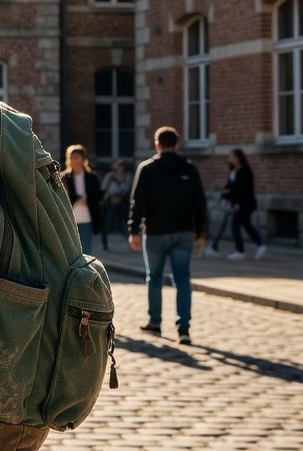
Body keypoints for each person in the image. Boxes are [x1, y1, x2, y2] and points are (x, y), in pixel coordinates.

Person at [127, 126, 207, 346]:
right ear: (177, 144)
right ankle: (184, 328)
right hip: (183, 233)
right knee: (182, 279)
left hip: (155, 233)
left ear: (157, 144)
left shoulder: (147, 169)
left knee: (154, 277)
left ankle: (155, 321)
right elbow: (200, 204)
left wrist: (133, 230)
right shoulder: (189, 169)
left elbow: (137, 202)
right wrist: (200, 231)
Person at [217, 148, 268, 261]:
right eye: (229, 157)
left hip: (244, 203)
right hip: (237, 203)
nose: (229, 159)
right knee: (246, 225)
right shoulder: (233, 171)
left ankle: (240, 251)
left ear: (238, 158)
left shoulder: (245, 171)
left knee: (235, 226)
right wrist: (225, 194)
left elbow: (243, 188)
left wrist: (231, 192)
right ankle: (260, 245)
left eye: (232, 157)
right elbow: (229, 186)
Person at [60, 144, 102, 254]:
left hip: (87, 217)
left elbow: (97, 196)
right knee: (71, 249)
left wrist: (87, 199)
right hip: (70, 218)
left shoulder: (92, 177)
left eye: (77, 158)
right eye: (72, 158)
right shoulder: (64, 178)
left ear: (83, 159)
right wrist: (77, 198)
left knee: (86, 249)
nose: (75, 161)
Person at [98, 159, 131, 251]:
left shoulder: (126, 176)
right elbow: (104, 188)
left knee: (126, 223)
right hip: (110, 201)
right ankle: (105, 244)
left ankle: (130, 242)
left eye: (121, 166)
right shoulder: (110, 175)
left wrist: (118, 180)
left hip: (122, 201)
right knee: (106, 223)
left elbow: (126, 188)